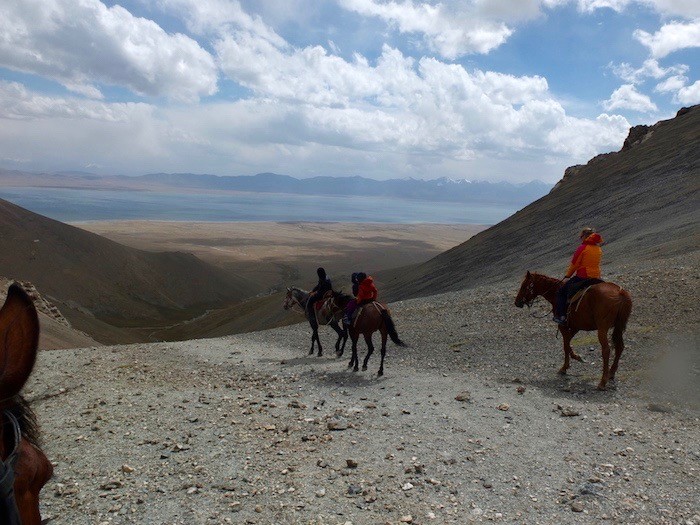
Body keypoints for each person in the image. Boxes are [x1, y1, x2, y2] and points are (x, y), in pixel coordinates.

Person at [554, 228, 604, 324]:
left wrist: (568, 275)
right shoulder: (598, 249)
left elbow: (574, 264)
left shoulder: (582, 248)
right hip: (596, 277)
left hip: (583, 276)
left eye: (581, 237)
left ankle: (562, 316)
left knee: (561, 292)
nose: (580, 239)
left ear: (585, 236)